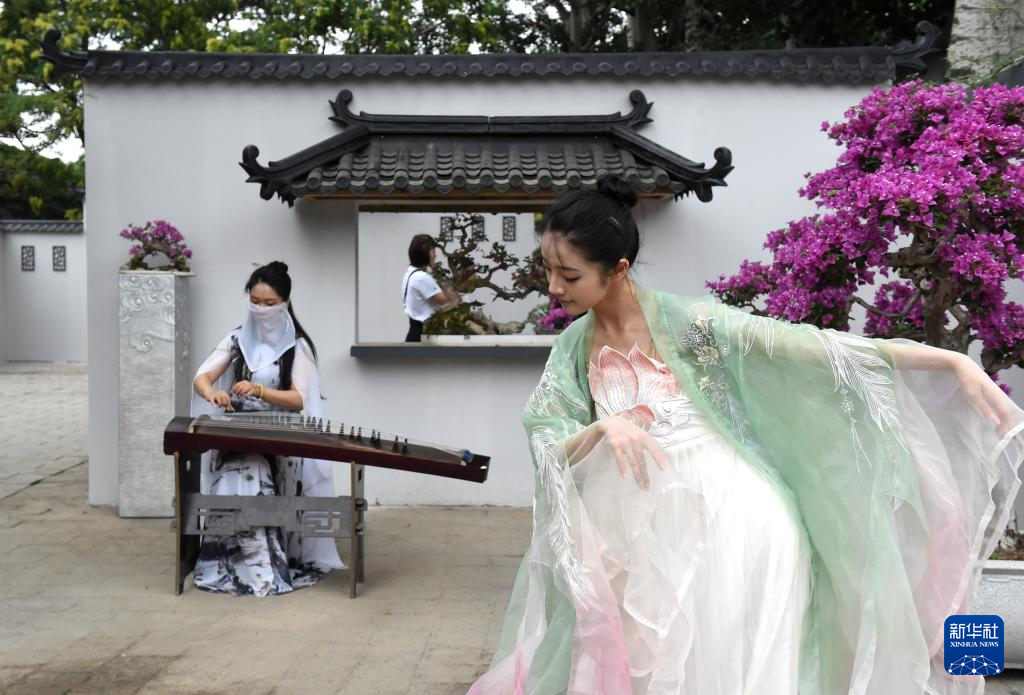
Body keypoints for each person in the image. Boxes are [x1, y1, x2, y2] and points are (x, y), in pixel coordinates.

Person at [468, 175, 1024, 694]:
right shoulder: (573, 347)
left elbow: (809, 347)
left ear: (617, 269)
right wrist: (602, 426)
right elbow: (546, 431)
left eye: (569, 276)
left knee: (734, 662)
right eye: (548, 270)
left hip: (732, 514)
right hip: (636, 522)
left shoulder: (692, 326)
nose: (554, 288)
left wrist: (950, 360)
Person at [191, 261, 344, 596]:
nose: (261, 309)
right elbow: (202, 377)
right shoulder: (237, 340)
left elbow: (299, 399)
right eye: (255, 302)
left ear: (285, 302)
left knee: (253, 471)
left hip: (281, 439)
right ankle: (229, 562)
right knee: (238, 470)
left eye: (269, 303)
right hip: (238, 432)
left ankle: (260, 566)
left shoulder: (297, 346)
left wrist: (260, 390)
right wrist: (212, 392)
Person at [403, 234, 448, 342]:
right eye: (433, 251)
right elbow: (444, 300)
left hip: (416, 329)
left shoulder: (411, 272)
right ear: (424, 253)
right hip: (422, 333)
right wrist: (457, 288)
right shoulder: (421, 277)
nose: (435, 255)